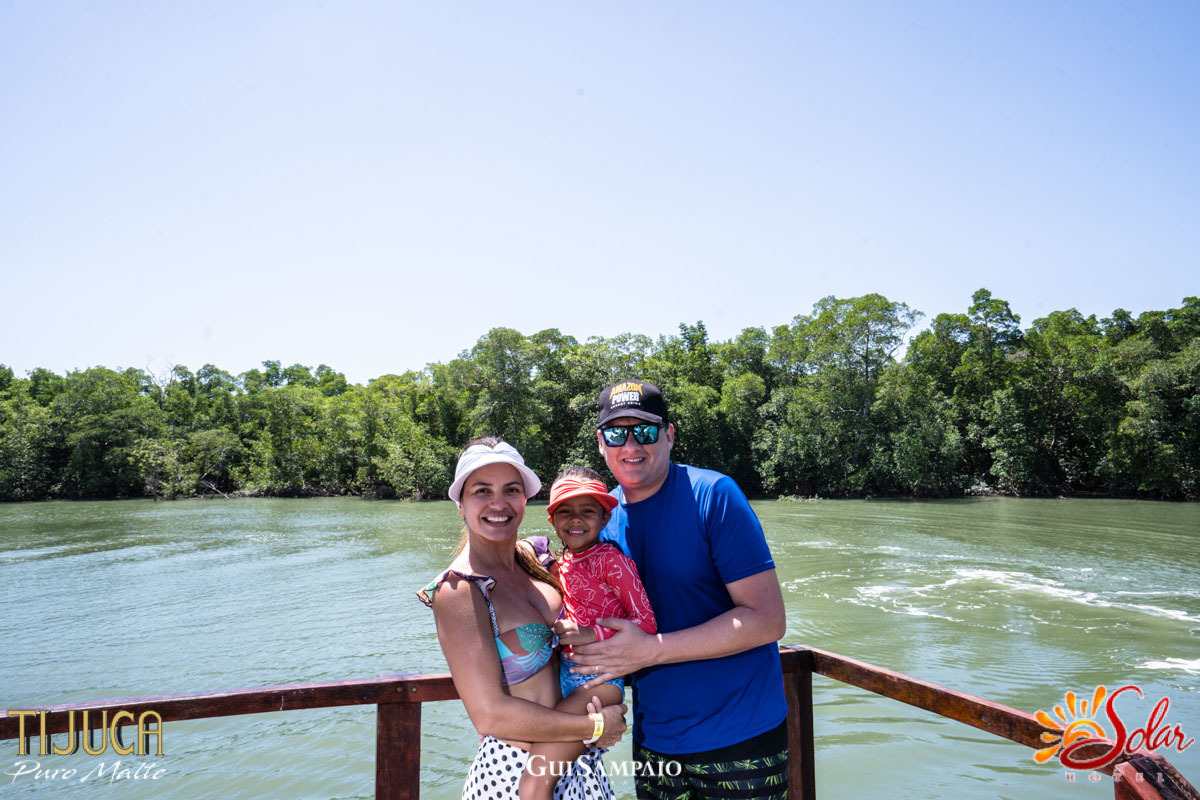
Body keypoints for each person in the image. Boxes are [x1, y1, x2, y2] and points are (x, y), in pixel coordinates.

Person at [563, 381, 789, 800]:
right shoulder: (598, 519)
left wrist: (653, 649)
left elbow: (768, 619)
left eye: (645, 431)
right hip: (654, 745)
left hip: (741, 738)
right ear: (600, 443)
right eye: (616, 434)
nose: (631, 445)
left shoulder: (714, 496)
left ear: (669, 435)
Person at [417, 438, 626, 800]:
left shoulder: (538, 558)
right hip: (514, 773)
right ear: (460, 504)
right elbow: (490, 714)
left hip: (578, 765)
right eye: (482, 491)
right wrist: (594, 726)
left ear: (526, 499)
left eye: (511, 490)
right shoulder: (459, 590)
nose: (499, 503)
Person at [517, 466, 660, 800]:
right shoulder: (558, 565)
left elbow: (646, 623)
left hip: (599, 685)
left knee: (534, 782)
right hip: (564, 680)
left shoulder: (612, 561)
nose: (576, 520)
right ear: (552, 521)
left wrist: (590, 633)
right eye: (565, 511)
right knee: (560, 775)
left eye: (587, 511)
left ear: (605, 518)